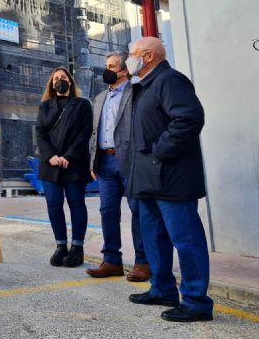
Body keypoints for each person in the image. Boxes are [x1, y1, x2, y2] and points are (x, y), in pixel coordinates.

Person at [126, 37, 213, 323]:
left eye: (132, 54)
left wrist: (159, 152)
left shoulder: (170, 80)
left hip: (172, 178)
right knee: (154, 238)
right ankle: (162, 289)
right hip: (149, 179)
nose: (129, 60)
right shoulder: (145, 86)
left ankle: (196, 301)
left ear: (148, 56)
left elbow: (188, 118)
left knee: (186, 240)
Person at [86, 52, 149, 281]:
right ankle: (111, 261)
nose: (107, 70)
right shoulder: (100, 97)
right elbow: (95, 131)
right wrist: (93, 161)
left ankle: (143, 262)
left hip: (130, 161)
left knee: (138, 211)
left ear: (123, 71)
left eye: (111, 66)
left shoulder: (137, 93)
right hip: (104, 162)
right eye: (106, 66)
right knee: (107, 212)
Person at [35, 66, 92, 268]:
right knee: (53, 204)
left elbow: (85, 133)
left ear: (70, 81)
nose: (60, 80)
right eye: (56, 78)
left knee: (76, 203)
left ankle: (77, 247)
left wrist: (69, 156)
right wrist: (50, 156)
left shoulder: (82, 104)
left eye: (63, 77)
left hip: (74, 163)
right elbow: (40, 134)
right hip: (50, 165)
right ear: (51, 83)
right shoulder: (45, 106)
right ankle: (61, 246)